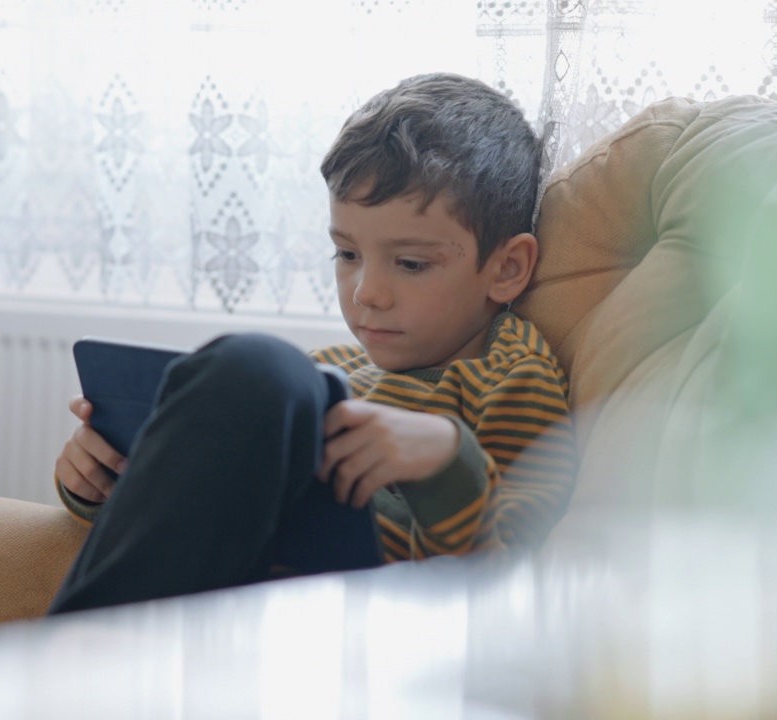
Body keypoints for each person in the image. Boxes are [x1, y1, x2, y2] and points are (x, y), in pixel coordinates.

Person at [48, 73, 575, 614]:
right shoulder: (327, 369)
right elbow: (192, 529)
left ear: (507, 268)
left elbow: (502, 586)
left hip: (369, 617)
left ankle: (67, 660)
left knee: (259, 369)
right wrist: (104, 481)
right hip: (226, 609)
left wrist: (444, 459)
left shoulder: (513, 376)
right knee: (263, 378)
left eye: (412, 263)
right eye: (346, 255)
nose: (366, 293)